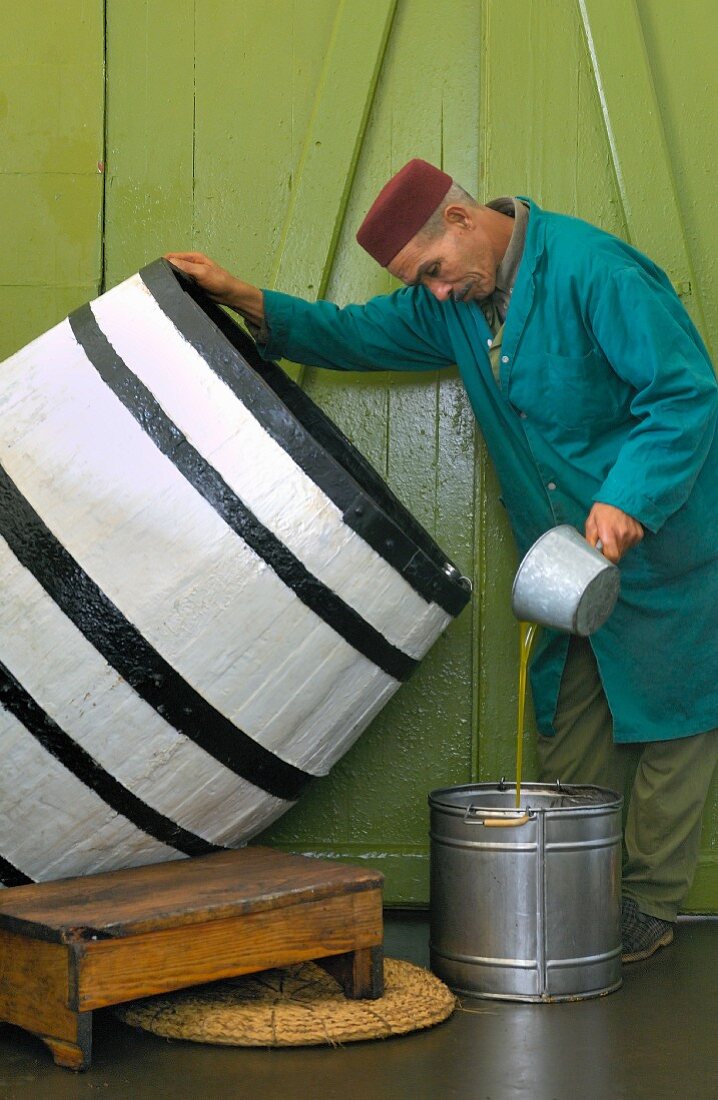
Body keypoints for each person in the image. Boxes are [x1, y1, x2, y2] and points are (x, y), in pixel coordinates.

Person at [167, 158, 718, 963]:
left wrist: (631, 495)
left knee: (676, 725)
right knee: (568, 728)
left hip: (662, 541)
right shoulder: (456, 302)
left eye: (431, 271)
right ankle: (578, 896)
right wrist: (242, 294)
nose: (433, 292)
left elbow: (683, 392)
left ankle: (652, 906)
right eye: (417, 283)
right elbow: (352, 333)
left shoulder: (594, 269)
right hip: (565, 559)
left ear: (461, 222)